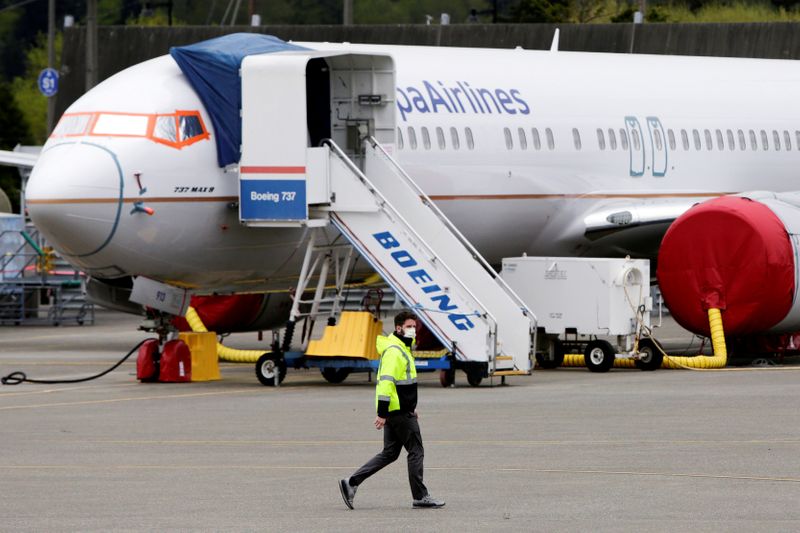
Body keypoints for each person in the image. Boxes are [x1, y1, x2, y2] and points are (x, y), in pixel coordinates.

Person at [339, 310, 445, 509]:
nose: (413, 330)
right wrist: (382, 413)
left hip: (400, 410)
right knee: (416, 451)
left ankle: (351, 483)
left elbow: (403, 384)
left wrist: (410, 406)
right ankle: (420, 497)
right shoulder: (395, 351)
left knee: (389, 453)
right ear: (398, 328)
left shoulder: (401, 348)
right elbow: (386, 384)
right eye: (409, 327)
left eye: (414, 327)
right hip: (397, 413)